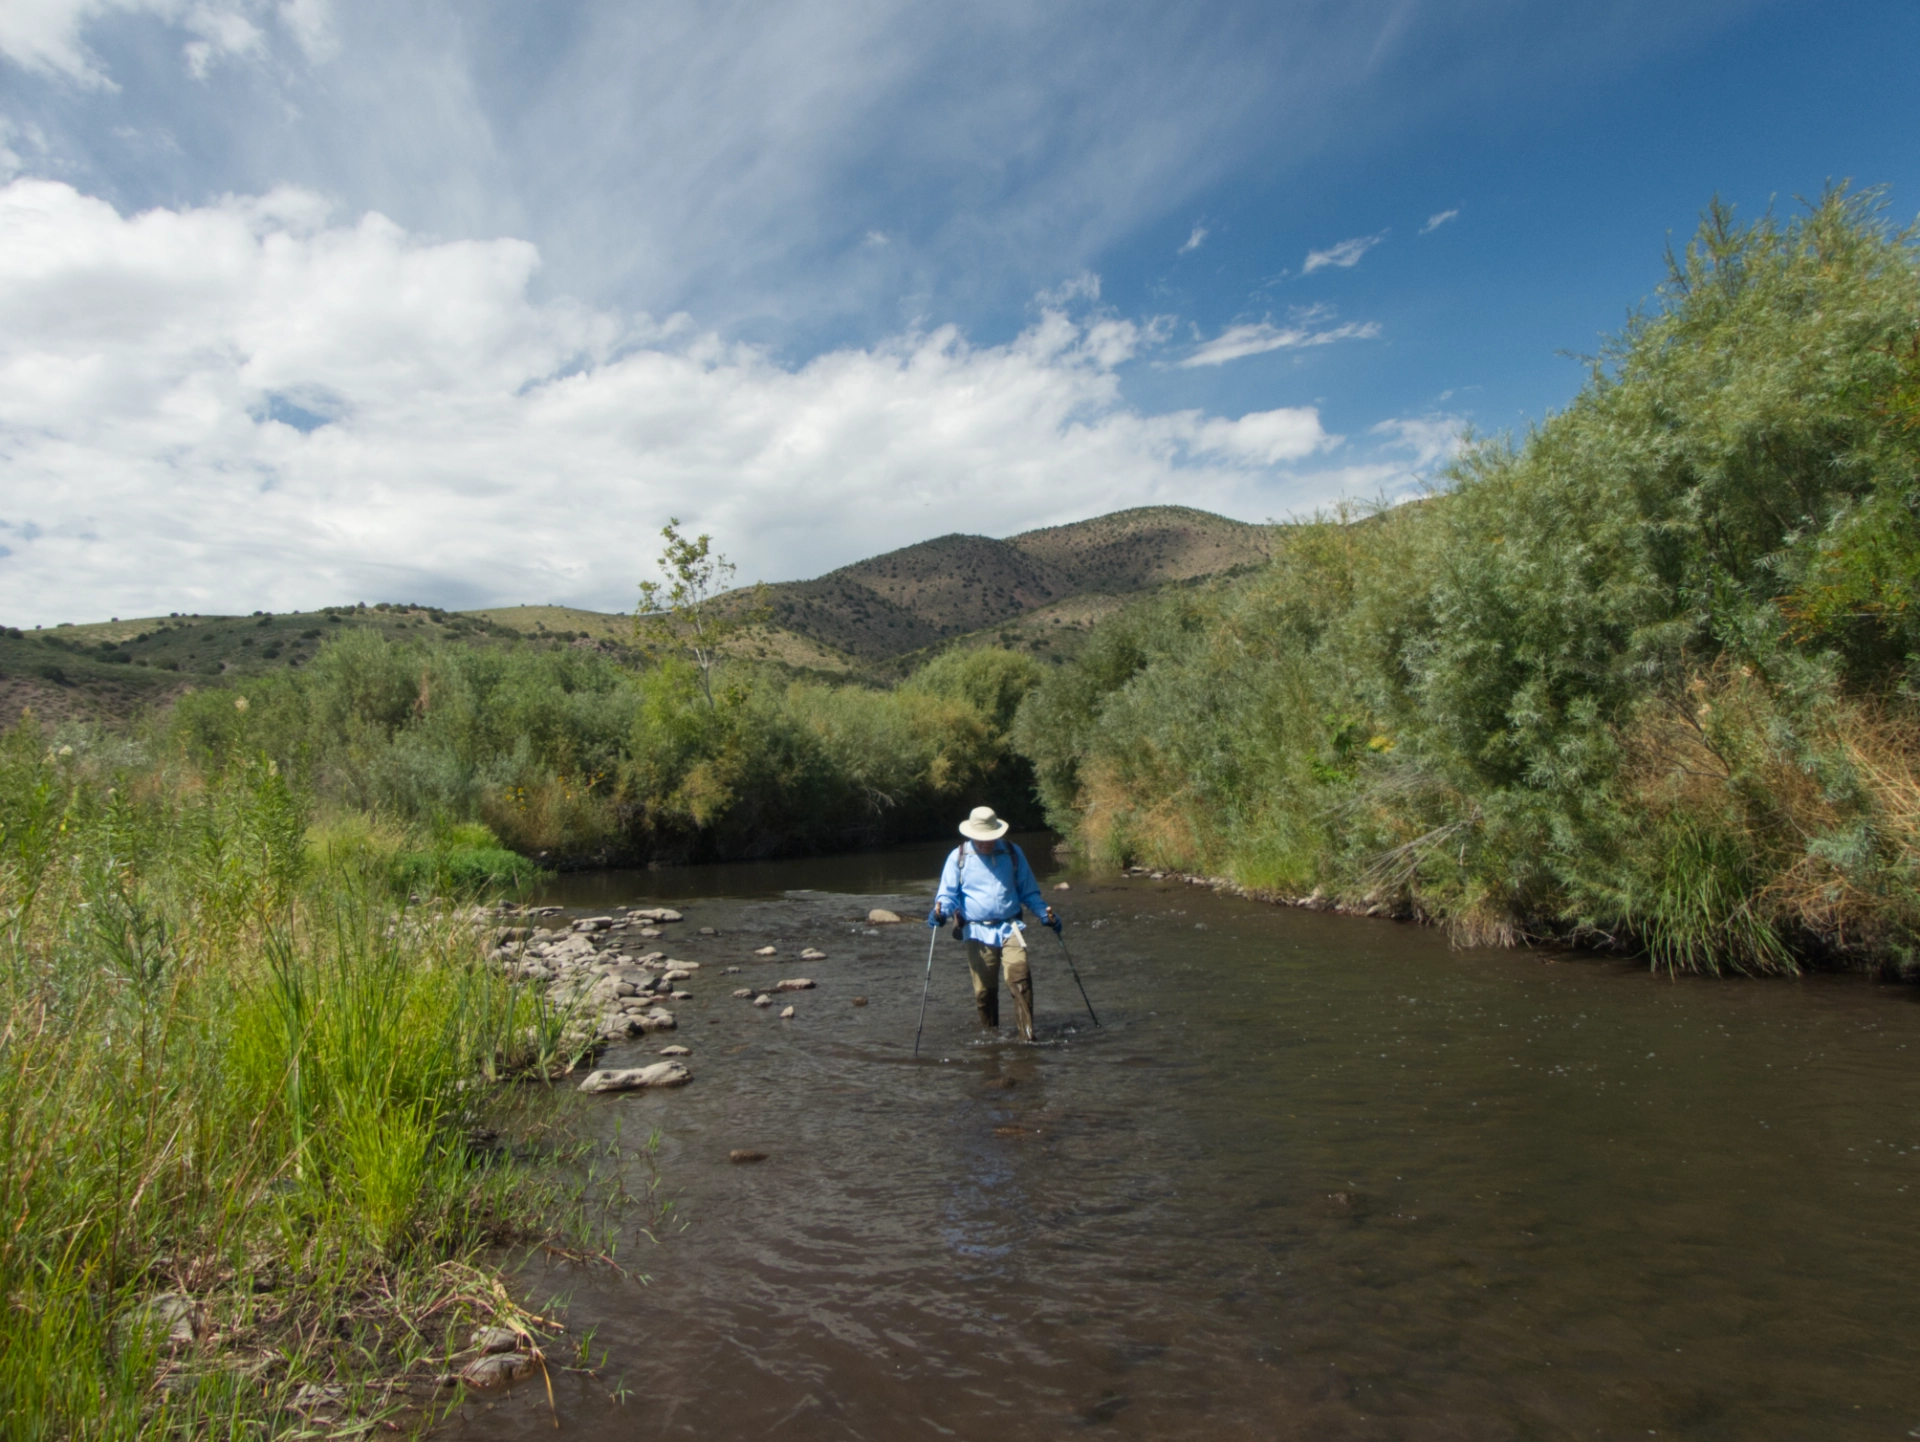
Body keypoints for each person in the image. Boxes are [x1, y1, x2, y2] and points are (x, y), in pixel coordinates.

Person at [929, 805, 1058, 1040]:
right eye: (981, 839)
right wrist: (940, 914)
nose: (986, 843)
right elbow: (947, 896)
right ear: (971, 834)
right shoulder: (958, 857)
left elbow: (1029, 892)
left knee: (1020, 981)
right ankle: (991, 1039)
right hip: (976, 932)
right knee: (985, 993)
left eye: (990, 838)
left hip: (1011, 928)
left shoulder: (1012, 852)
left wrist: (1043, 914)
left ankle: (1027, 1039)